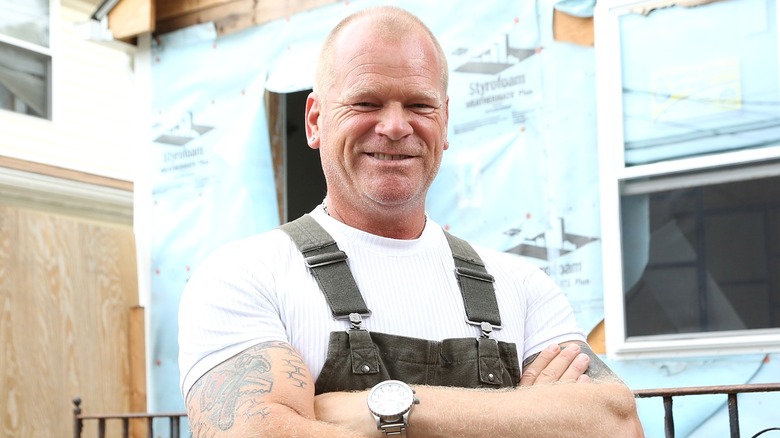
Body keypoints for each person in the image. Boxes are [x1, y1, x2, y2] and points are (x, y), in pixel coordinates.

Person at [178, 5, 644, 437]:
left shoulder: (521, 286)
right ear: (316, 120)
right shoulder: (247, 276)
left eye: (419, 105)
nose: (396, 127)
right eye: (366, 103)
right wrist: (525, 415)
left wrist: (382, 409)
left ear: (444, 122)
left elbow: (617, 423)